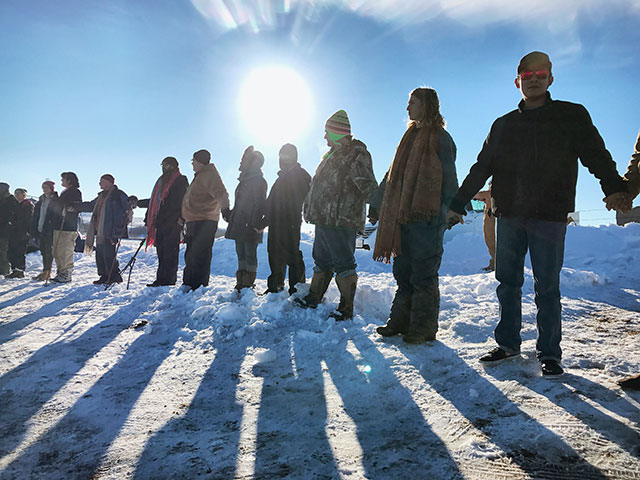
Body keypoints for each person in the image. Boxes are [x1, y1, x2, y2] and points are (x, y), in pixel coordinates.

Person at [446, 51, 628, 377]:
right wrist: (457, 203)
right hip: (509, 214)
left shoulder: (571, 116)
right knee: (507, 283)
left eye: (540, 74)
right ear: (518, 82)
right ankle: (507, 344)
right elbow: (482, 167)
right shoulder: (503, 125)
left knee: (547, 287)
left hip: (549, 215)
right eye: (526, 76)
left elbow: (596, 154)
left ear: (550, 78)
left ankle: (550, 353)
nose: (533, 80)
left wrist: (614, 187)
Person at [371, 87, 458, 344]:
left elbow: (449, 176)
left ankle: (423, 327)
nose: (407, 108)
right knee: (403, 271)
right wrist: (377, 205)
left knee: (423, 273)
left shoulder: (441, 139)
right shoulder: (407, 139)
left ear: (427, 105)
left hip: (428, 218)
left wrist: (451, 209)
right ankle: (399, 322)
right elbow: (391, 176)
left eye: (412, 103)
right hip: (403, 216)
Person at [295, 110, 377, 320]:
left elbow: (367, 184)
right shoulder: (332, 155)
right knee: (321, 260)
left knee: (343, 262)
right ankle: (314, 297)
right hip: (324, 218)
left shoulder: (355, 153)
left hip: (342, 219)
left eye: (327, 132)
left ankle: (346, 309)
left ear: (337, 132)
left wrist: (377, 207)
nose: (324, 137)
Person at [260, 143, 311, 295]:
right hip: (275, 223)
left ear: (294, 157)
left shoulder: (302, 175)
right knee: (274, 254)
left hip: (290, 222)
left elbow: (306, 198)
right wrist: (264, 221)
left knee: (292, 254)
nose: (282, 159)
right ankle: (275, 287)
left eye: (286, 155)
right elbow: (270, 203)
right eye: (281, 156)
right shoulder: (280, 178)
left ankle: (297, 289)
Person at [181, 149, 230, 291]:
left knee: (199, 254)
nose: (192, 164)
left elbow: (222, 193)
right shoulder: (201, 176)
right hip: (195, 221)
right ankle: (190, 284)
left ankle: (197, 286)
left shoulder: (209, 175)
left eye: (193, 161)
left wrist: (225, 210)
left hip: (204, 221)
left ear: (199, 161)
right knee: (191, 253)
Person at [137, 157, 189, 287]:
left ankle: (169, 280)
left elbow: (179, 200)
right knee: (161, 251)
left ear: (173, 166)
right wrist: (140, 203)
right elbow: (156, 201)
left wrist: (180, 218)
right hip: (160, 222)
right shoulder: (161, 181)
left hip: (172, 222)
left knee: (170, 252)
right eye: (163, 164)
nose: (163, 167)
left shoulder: (181, 180)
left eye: (166, 165)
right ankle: (161, 279)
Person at [222, 146, 268, 291]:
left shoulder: (258, 181)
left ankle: (248, 284)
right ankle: (241, 283)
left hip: (250, 225)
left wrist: (256, 223)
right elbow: (241, 204)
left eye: (245, 159)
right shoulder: (244, 180)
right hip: (240, 224)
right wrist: (230, 214)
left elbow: (260, 204)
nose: (241, 162)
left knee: (249, 255)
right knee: (241, 254)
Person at [73, 174, 130, 285]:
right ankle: (104, 275)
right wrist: (76, 206)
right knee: (100, 254)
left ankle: (113, 276)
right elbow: (90, 206)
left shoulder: (118, 195)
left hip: (111, 230)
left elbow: (127, 208)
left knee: (109, 254)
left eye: (102, 181)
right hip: (100, 229)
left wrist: (119, 227)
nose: (99, 183)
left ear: (109, 182)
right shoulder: (101, 196)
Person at [50, 172, 82, 283]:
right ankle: (61, 271)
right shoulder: (66, 191)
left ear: (69, 180)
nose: (61, 181)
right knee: (57, 250)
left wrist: (58, 200)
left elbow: (73, 206)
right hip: (59, 224)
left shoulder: (75, 192)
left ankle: (67, 272)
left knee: (65, 250)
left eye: (63, 179)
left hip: (68, 225)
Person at [31, 181, 59, 281]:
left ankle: (47, 272)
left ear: (51, 188)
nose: (44, 189)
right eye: (43, 187)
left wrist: (52, 225)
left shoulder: (55, 200)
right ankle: (45, 271)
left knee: (48, 251)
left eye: (46, 187)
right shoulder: (41, 200)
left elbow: (56, 215)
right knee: (43, 251)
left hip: (50, 229)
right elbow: (36, 215)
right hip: (40, 228)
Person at [7, 188, 34, 278]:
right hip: (13, 231)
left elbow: (29, 220)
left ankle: (20, 270)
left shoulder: (27, 205)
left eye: (19, 193)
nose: (17, 195)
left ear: (23, 195)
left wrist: (28, 231)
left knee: (20, 251)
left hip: (23, 231)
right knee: (12, 250)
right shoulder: (14, 205)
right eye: (16, 194)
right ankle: (14, 269)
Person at [473, 182, 496, 272]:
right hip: (490, 214)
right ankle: (494, 263)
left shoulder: (496, 185)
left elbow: (488, 194)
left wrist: (472, 194)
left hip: (492, 215)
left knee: (491, 240)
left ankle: (495, 264)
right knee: (490, 240)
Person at [0, 183, 18, 277]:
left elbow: (13, 214)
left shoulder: (11, 200)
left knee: (3, 251)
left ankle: (4, 270)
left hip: (5, 229)